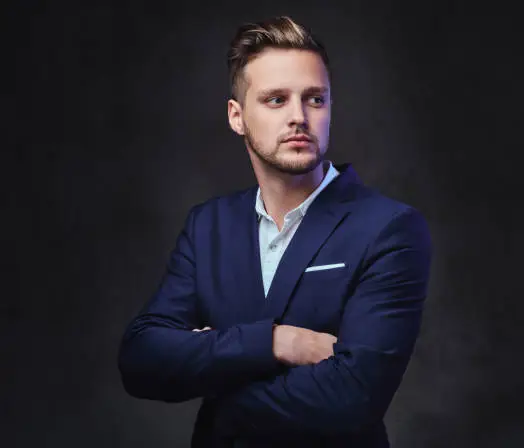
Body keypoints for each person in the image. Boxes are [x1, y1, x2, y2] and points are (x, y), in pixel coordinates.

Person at [118, 15, 432, 448]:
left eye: (315, 99)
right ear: (237, 115)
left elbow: (353, 399)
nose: (299, 117)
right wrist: (276, 342)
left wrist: (217, 387)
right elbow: (141, 360)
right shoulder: (209, 226)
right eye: (275, 100)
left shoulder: (388, 229)